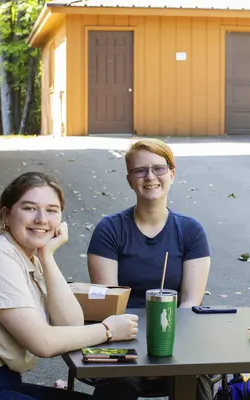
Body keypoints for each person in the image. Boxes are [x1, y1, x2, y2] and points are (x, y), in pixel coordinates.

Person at [0, 172, 140, 400]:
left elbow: (71, 323)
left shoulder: (28, 258)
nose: (42, 219)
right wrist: (107, 330)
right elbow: (44, 343)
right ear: (6, 215)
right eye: (29, 208)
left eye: (52, 210)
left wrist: (47, 256)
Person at [86, 138, 213, 399]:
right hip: (120, 339)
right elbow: (110, 306)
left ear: (172, 174)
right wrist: (144, 355)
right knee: (120, 382)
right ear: (129, 179)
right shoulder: (109, 230)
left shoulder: (190, 231)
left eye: (159, 168)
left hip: (173, 339)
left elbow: (190, 304)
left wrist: (162, 352)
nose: (150, 177)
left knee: (195, 379)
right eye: (140, 170)